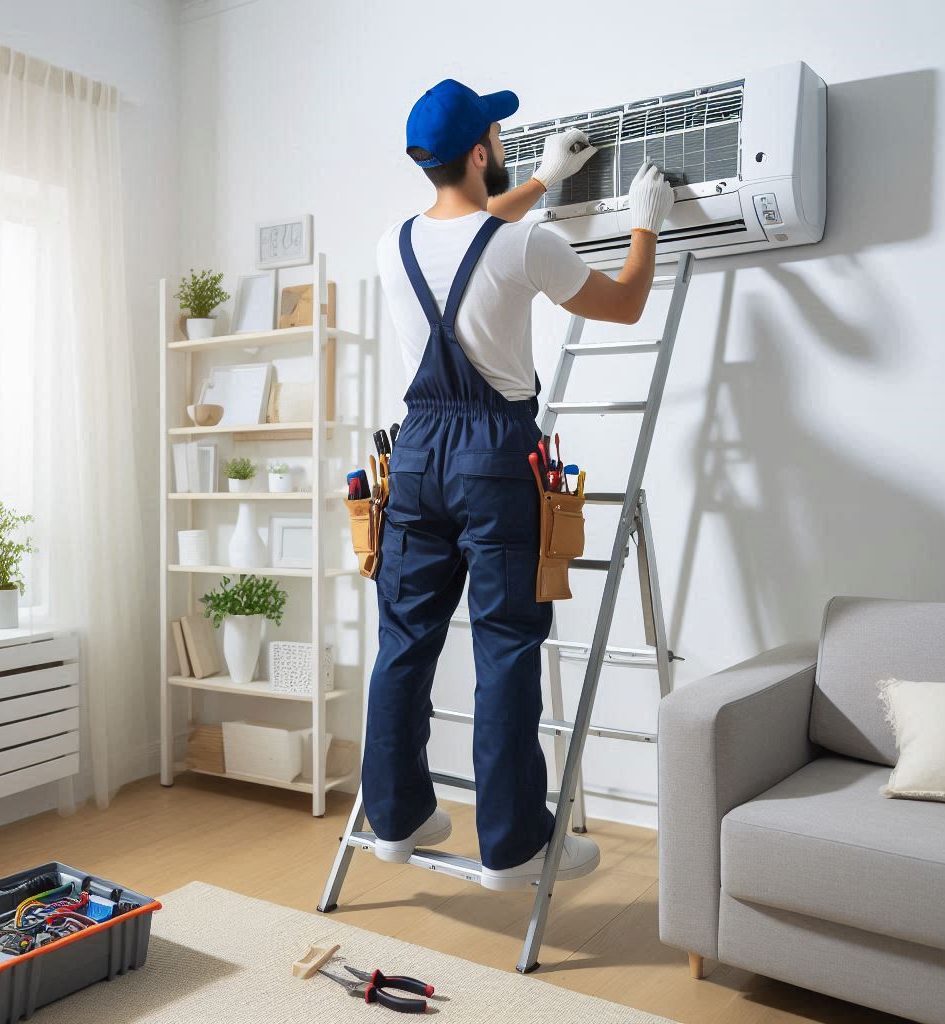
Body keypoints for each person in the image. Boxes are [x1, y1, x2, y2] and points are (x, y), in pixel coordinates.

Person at [363, 78, 673, 890]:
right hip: (496, 457)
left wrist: (541, 178)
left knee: (403, 644)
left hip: (417, 454)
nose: (503, 144)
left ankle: (393, 821)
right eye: (499, 136)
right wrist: (645, 219)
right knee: (505, 649)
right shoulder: (526, 243)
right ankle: (512, 845)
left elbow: (470, 239)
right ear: (478, 152)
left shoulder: (392, 244)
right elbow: (628, 305)